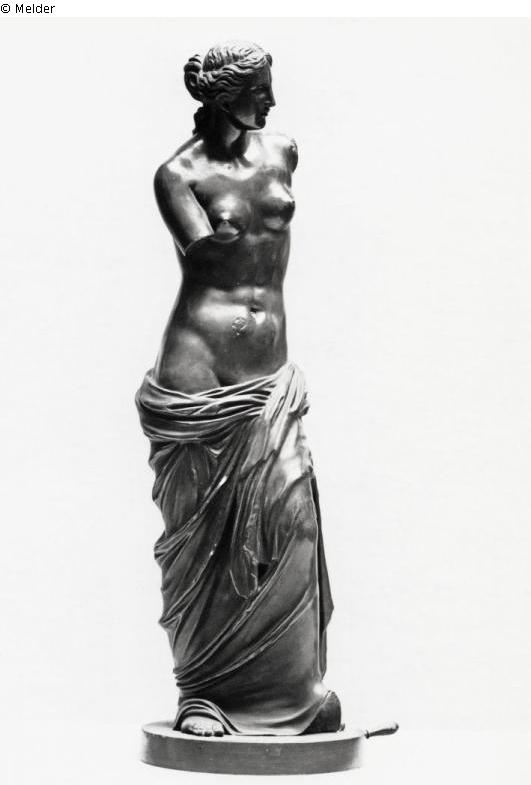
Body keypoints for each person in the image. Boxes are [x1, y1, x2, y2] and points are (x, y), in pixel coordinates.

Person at [136, 41, 341, 737]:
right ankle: (201, 693)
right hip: (201, 368)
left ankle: (288, 693)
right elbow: (202, 255)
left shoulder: (282, 151)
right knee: (201, 539)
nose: (272, 102)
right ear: (225, 96)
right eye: (259, 91)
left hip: (268, 368)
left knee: (292, 521)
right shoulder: (177, 175)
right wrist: (216, 233)